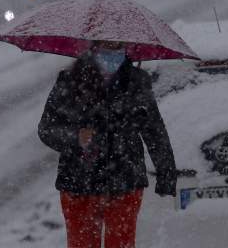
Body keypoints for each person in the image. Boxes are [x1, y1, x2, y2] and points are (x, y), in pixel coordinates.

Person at [38, 40, 177, 248]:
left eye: (119, 47)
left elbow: (154, 130)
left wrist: (166, 174)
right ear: (94, 48)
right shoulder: (70, 80)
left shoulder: (137, 82)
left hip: (126, 181)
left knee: (121, 244)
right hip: (78, 183)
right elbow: (47, 128)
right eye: (108, 46)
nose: (114, 53)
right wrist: (75, 136)